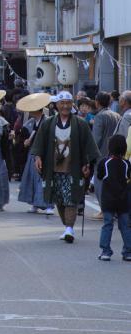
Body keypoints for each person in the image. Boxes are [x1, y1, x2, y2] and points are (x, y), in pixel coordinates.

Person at [32, 91, 100, 244]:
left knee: (71, 198)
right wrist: (37, 158)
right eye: (62, 103)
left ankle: (69, 228)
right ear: (56, 105)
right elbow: (39, 144)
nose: (65, 106)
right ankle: (67, 226)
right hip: (53, 167)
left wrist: (87, 163)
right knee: (59, 199)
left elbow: (88, 146)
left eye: (68, 103)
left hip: (73, 167)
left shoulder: (80, 124)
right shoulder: (48, 123)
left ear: (72, 105)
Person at [15, 93, 54, 214]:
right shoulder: (30, 122)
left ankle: (48, 205)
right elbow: (22, 140)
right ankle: (34, 204)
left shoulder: (48, 121)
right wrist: (25, 142)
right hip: (32, 154)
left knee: (45, 180)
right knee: (32, 179)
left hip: (45, 154)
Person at [97, 135, 131, 261]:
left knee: (107, 225)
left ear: (110, 147)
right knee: (125, 226)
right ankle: (128, 251)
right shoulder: (126, 164)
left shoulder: (105, 163)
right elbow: (128, 177)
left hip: (108, 200)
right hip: (123, 200)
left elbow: (100, 176)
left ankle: (106, 251)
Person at [92, 90, 121, 219]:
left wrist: (90, 155)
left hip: (102, 154)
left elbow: (96, 139)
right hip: (116, 154)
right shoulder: (117, 115)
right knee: (114, 183)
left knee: (100, 183)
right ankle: (114, 209)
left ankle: (104, 210)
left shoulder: (99, 116)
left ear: (97, 102)